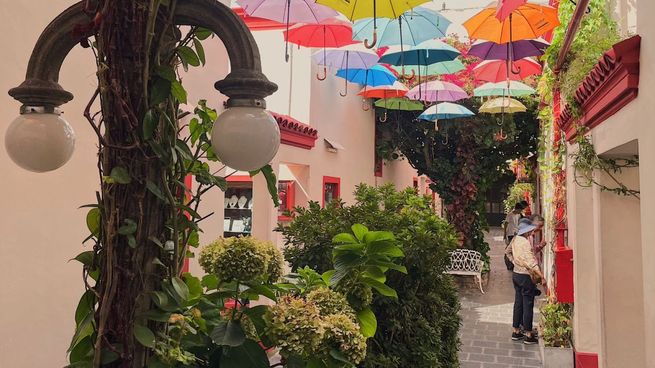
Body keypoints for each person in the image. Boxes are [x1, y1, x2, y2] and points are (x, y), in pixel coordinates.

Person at [505, 221, 545, 345]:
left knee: (518, 303)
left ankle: (516, 331)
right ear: (526, 231)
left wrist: (515, 262)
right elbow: (531, 262)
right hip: (525, 276)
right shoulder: (525, 243)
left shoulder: (515, 239)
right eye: (530, 230)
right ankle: (528, 334)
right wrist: (542, 276)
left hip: (516, 275)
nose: (532, 232)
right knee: (528, 304)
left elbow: (507, 252)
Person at [503, 203, 525, 270]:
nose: (520, 212)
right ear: (517, 209)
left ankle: (513, 264)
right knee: (510, 249)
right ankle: (509, 265)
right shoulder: (510, 215)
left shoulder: (518, 215)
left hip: (516, 233)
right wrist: (504, 234)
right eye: (520, 210)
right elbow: (505, 224)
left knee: (515, 249)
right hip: (510, 233)